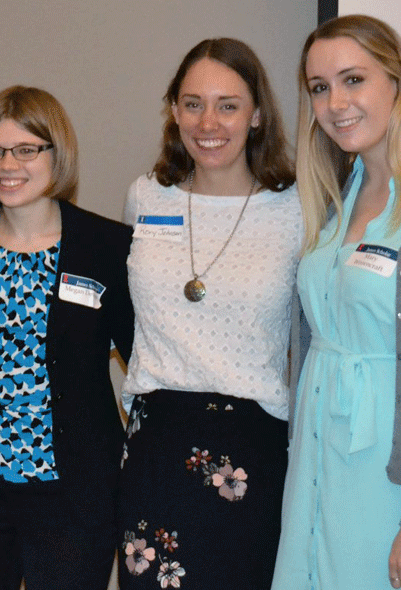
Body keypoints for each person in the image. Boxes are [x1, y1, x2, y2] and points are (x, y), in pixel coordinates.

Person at [0, 86, 134, 590]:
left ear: (55, 153)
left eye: (26, 149)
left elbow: (143, 358)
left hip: (70, 495)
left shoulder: (106, 246)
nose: (8, 164)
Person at [116, 38, 300, 589]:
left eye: (228, 104)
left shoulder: (297, 207)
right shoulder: (146, 198)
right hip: (156, 447)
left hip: (251, 453)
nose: (208, 121)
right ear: (174, 111)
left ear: (258, 114)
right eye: (193, 103)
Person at [272, 15, 401, 590]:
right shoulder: (334, 197)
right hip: (319, 461)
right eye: (320, 88)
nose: (335, 103)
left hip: (385, 473)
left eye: (354, 80)